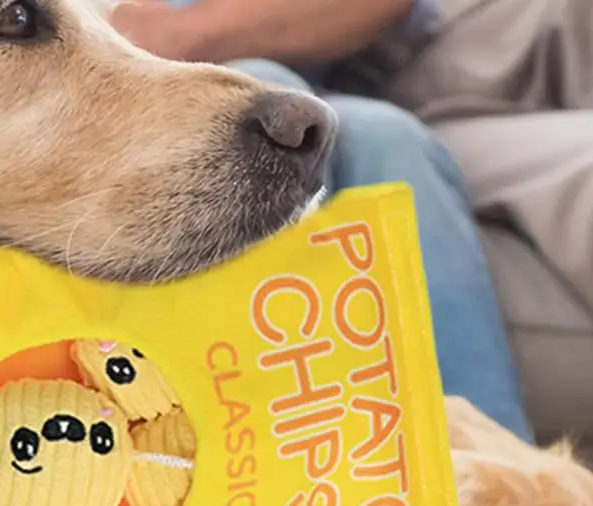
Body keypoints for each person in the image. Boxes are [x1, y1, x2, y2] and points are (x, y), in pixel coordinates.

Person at [111, 0, 534, 442]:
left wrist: (182, 32)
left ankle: (498, 466)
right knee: (274, 90)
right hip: (149, 86)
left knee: (390, 140)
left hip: (299, 77)